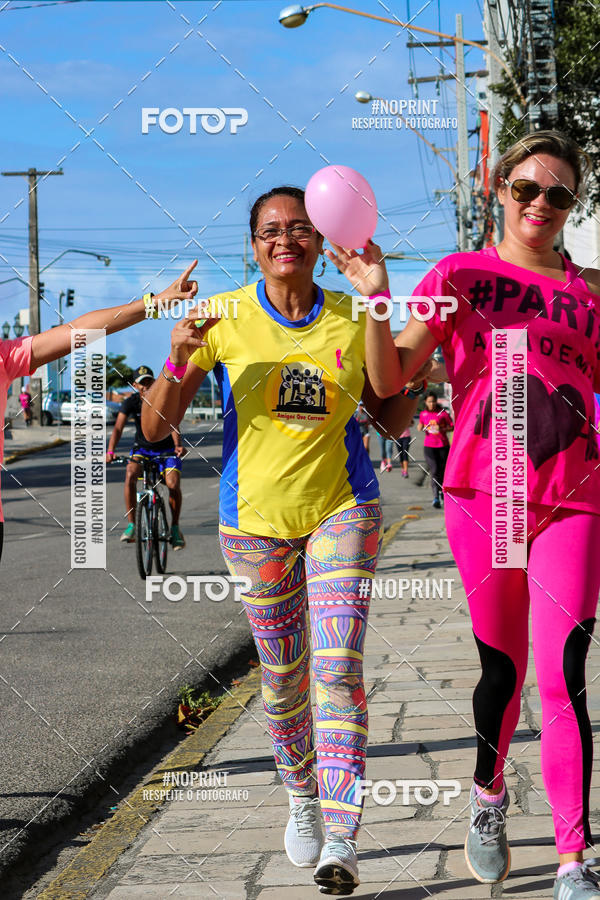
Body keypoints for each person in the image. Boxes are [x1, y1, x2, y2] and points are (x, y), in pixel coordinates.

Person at [141, 185, 421, 895]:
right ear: (254, 244)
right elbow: (154, 430)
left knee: (336, 670)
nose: (285, 239)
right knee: (285, 676)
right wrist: (176, 358)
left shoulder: (353, 312)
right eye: (271, 230)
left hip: (342, 510)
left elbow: (392, 413)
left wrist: (381, 304)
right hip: (254, 522)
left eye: (300, 227)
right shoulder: (224, 315)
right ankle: (300, 795)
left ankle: (342, 834)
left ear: (321, 238)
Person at [363, 131, 600, 899]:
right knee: (505, 668)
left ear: (574, 207)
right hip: (487, 490)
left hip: (576, 494)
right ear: (497, 190)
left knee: (565, 676)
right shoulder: (461, 274)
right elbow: (394, 376)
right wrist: (375, 299)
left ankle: (573, 859)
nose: (541, 204)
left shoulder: (592, 295)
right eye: (527, 188)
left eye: (558, 194)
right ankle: (489, 794)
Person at [0, 263, 197, 565]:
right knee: (132, 475)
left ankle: (172, 526)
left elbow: (80, 330)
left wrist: (155, 303)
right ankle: (135, 521)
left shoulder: (4, 356)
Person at [106, 366, 186, 548]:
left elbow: (173, 423)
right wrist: (110, 451)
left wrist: (178, 445)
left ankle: (174, 528)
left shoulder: (162, 400)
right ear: (135, 385)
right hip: (142, 450)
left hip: (166, 451)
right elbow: (118, 428)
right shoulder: (131, 403)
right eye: (142, 383)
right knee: (130, 475)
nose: (147, 386)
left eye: (149, 381)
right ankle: (132, 525)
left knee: (173, 483)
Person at [417, 391, 453, 507]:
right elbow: (420, 427)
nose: (431, 404)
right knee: (434, 470)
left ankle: (443, 493)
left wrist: (441, 428)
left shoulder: (442, 413)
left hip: (443, 446)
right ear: (425, 402)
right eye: (429, 402)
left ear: (436, 401)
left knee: (443, 472)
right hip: (429, 446)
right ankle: (436, 497)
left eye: (433, 401)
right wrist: (422, 427)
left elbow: (452, 426)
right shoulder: (423, 414)